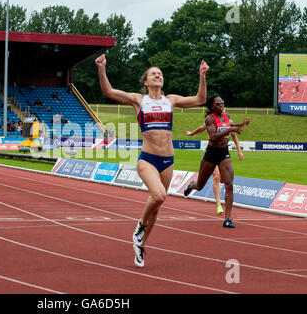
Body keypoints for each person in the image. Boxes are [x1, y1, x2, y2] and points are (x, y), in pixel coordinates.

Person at [95, 54, 210, 268]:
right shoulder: (139, 100)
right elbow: (108, 92)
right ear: (146, 82)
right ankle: (139, 226)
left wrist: (202, 75)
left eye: (160, 73)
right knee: (159, 195)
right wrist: (102, 69)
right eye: (153, 73)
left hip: (168, 160)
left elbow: (200, 99)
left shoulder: (171, 100)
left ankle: (141, 246)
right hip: (147, 159)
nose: (158, 75)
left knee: (157, 205)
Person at [183, 95, 250, 228]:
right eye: (219, 104)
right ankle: (192, 185)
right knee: (200, 186)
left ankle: (228, 219)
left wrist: (241, 124)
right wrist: (230, 129)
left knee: (229, 184)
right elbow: (213, 137)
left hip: (224, 152)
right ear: (212, 106)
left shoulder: (225, 116)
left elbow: (229, 124)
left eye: (223, 103)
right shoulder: (209, 119)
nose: (222, 105)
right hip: (211, 154)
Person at [186, 117, 245, 214]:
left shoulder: (228, 122)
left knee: (223, 180)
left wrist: (239, 151)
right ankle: (218, 205)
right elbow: (201, 128)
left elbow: (234, 135)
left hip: (223, 153)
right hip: (212, 152)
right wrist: (191, 133)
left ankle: (192, 185)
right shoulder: (212, 121)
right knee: (216, 177)